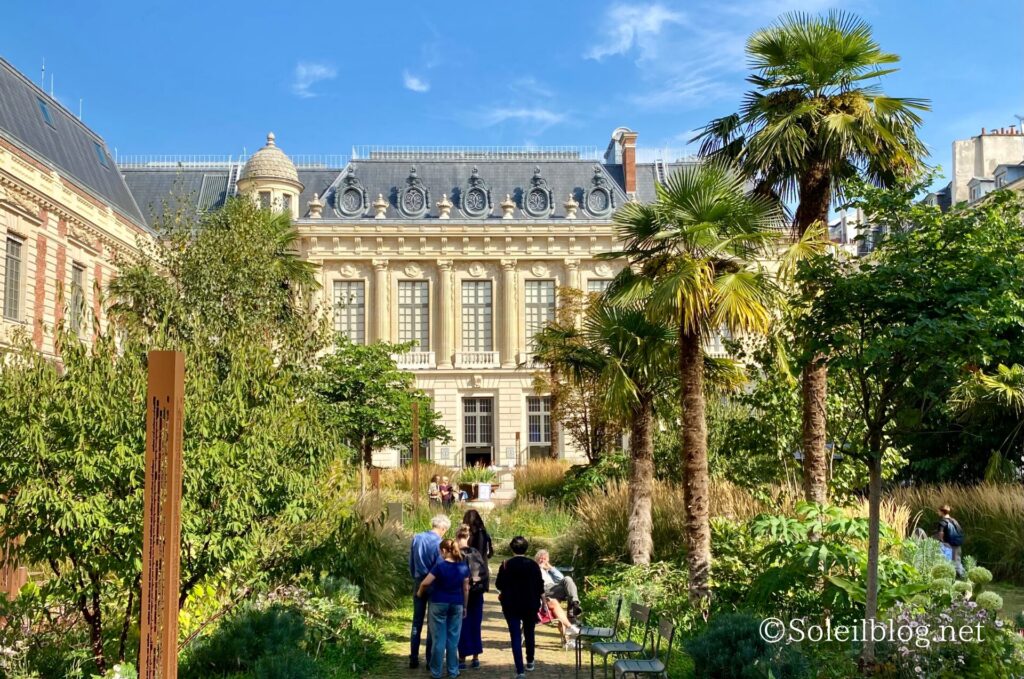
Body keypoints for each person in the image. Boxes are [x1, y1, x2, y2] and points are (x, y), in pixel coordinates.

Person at [417, 539, 470, 679]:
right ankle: (453, 671)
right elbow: (466, 588)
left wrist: (419, 593)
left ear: (444, 551)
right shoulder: (463, 567)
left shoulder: (439, 566)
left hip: (438, 603)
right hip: (456, 603)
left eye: (441, 551)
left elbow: (425, 583)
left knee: (438, 639)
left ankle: (436, 672)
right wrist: (465, 606)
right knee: (453, 640)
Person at [496, 536, 545, 679]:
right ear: (526, 548)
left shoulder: (506, 565)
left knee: (515, 636)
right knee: (530, 632)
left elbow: (499, 585)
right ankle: (530, 660)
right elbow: (539, 585)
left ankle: (520, 670)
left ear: (511, 548)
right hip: (530, 604)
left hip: (511, 604)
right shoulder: (533, 565)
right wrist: (543, 601)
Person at [409, 514, 450, 669]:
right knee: (433, 623)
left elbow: (411, 562)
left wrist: (416, 577)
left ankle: (413, 657)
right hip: (434, 583)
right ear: (443, 528)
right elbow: (439, 567)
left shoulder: (417, 538)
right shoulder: (440, 544)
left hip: (419, 581)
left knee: (416, 621)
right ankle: (429, 659)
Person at [456, 524, 488, 669]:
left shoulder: (455, 553)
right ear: (468, 537)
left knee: (462, 625)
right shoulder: (475, 552)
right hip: (477, 593)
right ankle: (475, 658)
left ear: (457, 536)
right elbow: (484, 573)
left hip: (460, 593)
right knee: (476, 624)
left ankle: (462, 658)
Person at [936, 504, 965, 577]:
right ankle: (963, 576)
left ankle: (947, 576)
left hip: (948, 545)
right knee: (957, 562)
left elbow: (941, 535)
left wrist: (940, 542)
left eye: (938, 511)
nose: (937, 513)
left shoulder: (942, 522)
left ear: (942, 512)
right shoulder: (954, 520)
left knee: (946, 561)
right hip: (957, 544)